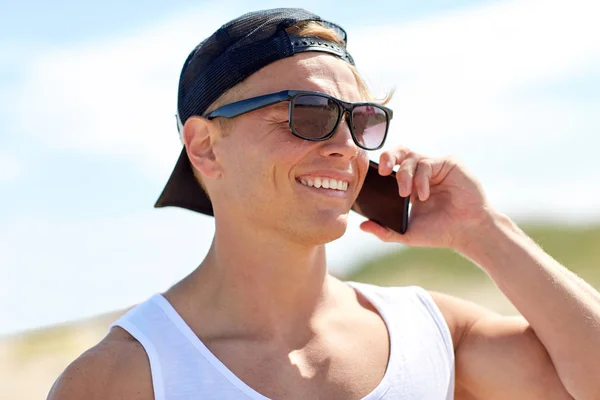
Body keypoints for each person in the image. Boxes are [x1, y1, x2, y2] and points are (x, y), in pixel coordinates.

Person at [48, 8, 600, 400]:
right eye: (307, 114)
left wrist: (482, 231)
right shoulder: (123, 376)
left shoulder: (432, 335)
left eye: (362, 121)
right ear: (205, 146)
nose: (344, 147)